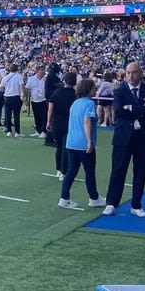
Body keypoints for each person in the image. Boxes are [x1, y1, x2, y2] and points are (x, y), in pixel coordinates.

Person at [103, 62, 145, 217]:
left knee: (140, 172)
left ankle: (136, 205)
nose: (131, 76)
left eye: (134, 72)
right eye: (128, 72)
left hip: (143, 137)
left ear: (140, 73)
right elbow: (119, 112)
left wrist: (131, 108)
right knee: (118, 170)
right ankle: (111, 203)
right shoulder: (119, 91)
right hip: (123, 137)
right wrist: (140, 107)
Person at [57, 79, 106, 209]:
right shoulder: (89, 104)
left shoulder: (75, 103)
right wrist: (89, 141)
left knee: (71, 171)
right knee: (89, 172)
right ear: (88, 89)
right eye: (94, 88)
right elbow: (87, 122)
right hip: (83, 143)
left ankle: (64, 198)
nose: (95, 90)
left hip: (71, 142)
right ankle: (94, 198)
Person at [47, 72, 77, 180]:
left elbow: (50, 109)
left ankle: (58, 170)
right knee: (65, 147)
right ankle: (64, 171)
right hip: (69, 123)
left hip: (56, 122)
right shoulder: (75, 94)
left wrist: (48, 122)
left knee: (59, 147)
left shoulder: (57, 93)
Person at [0, 63, 24, 137]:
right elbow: (21, 86)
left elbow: (1, 88)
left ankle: (9, 131)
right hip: (16, 97)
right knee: (16, 115)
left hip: (7, 97)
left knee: (8, 115)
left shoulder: (5, 77)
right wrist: (22, 96)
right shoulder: (19, 77)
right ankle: (17, 132)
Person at [26, 65, 48, 139]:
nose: (43, 72)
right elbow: (28, 89)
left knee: (43, 116)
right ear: (37, 71)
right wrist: (27, 100)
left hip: (43, 100)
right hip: (34, 100)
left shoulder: (46, 79)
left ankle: (43, 131)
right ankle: (38, 130)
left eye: (44, 70)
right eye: (42, 70)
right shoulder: (31, 79)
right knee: (36, 116)